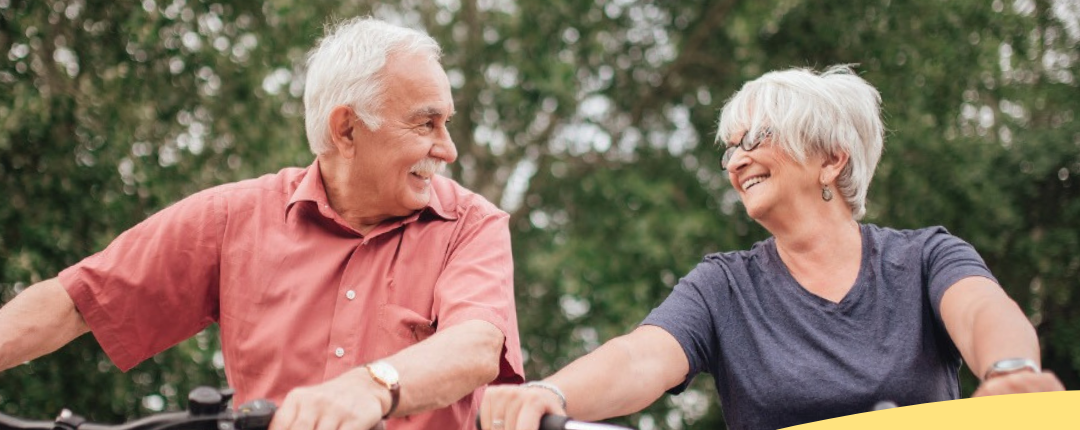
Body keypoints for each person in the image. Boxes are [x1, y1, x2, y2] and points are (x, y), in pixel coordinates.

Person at [0, 16, 524, 430]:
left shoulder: (471, 226)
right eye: (425, 123)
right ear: (346, 129)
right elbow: (79, 300)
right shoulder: (234, 217)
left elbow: (474, 347)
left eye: (446, 124)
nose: (448, 149)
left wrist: (370, 386)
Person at [478, 65, 1065, 430]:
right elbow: (639, 358)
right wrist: (549, 394)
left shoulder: (923, 259)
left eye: (755, 140)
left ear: (831, 158)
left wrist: (1010, 370)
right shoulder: (723, 288)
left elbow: (982, 309)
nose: (735, 162)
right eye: (728, 149)